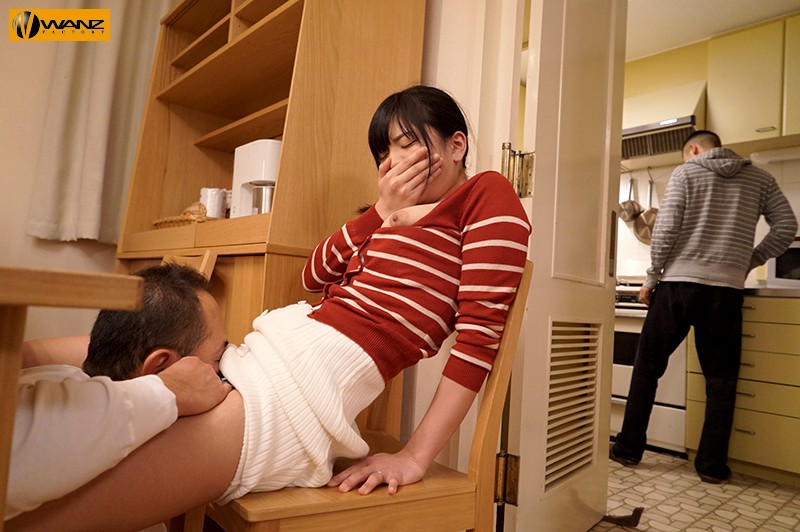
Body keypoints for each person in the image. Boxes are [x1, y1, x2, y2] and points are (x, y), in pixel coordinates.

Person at [6, 85, 532, 531]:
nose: (391, 163)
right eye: (382, 154)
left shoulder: (485, 194)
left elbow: (478, 338)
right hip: (263, 355)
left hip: (297, 400)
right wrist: (380, 212)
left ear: (456, 144)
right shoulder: (386, 216)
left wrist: (416, 455)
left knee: (42, 494)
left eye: (406, 144)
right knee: (48, 372)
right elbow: (313, 277)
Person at [610, 130, 797, 484]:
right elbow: (787, 226)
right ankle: (711, 466)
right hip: (725, 293)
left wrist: (651, 277)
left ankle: (628, 448)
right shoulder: (760, 178)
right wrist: (748, 260)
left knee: (647, 367)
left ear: (693, 150)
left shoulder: (686, 172)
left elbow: (665, 230)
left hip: (678, 287)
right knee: (721, 380)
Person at [7, 265, 231, 521]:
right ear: (159, 366)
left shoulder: (50, 375)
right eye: (218, 358)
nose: (222, 369)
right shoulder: (51, 424)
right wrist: (171, 389)